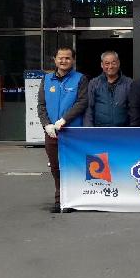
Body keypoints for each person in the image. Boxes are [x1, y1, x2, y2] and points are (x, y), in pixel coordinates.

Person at [37, 46, 88, 213]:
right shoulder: (46, 79)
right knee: (56, 167)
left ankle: (73, 200)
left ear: (73, 60)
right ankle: (60, 200)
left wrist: (64, 120)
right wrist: (46, 124)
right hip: (52, 132)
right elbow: (41, 105)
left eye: (67, 58)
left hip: (73, 132)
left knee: (73, 166)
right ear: (55, 59)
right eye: (60, 58)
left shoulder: (80, 79)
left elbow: (82, 102)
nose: (63, 61)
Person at [84, 50, 132, 127]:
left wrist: (132, 130)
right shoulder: (94, 83)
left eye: (113, 63)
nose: (110, 66)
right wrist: (89, 129)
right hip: (100, 129)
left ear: (118, 63)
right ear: (102, 65)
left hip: (122, 129)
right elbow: (89, 108)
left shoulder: (129, 83)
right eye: (107, 63)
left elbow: (133, 109)